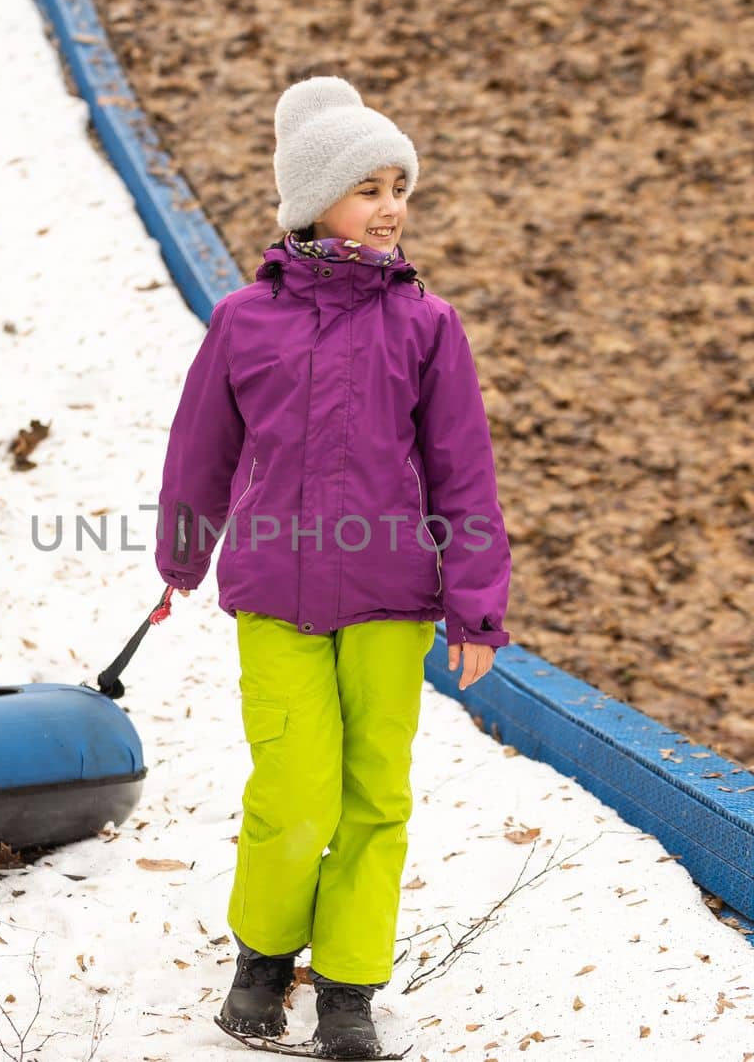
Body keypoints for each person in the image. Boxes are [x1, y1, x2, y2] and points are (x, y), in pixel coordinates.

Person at [155, 75, 511, 1060]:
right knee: (294, 787)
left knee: (374, 794)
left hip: (392, 598)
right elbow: (200, 452)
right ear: (313, 200)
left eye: (400, 185)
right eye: (368, 186)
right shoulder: (244, 321)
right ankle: (263, 956)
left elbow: (461, 471)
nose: (391, 205)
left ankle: (349, 986)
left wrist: (476, 605)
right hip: (275, 594)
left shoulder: (425, 326)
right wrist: (182, 554)